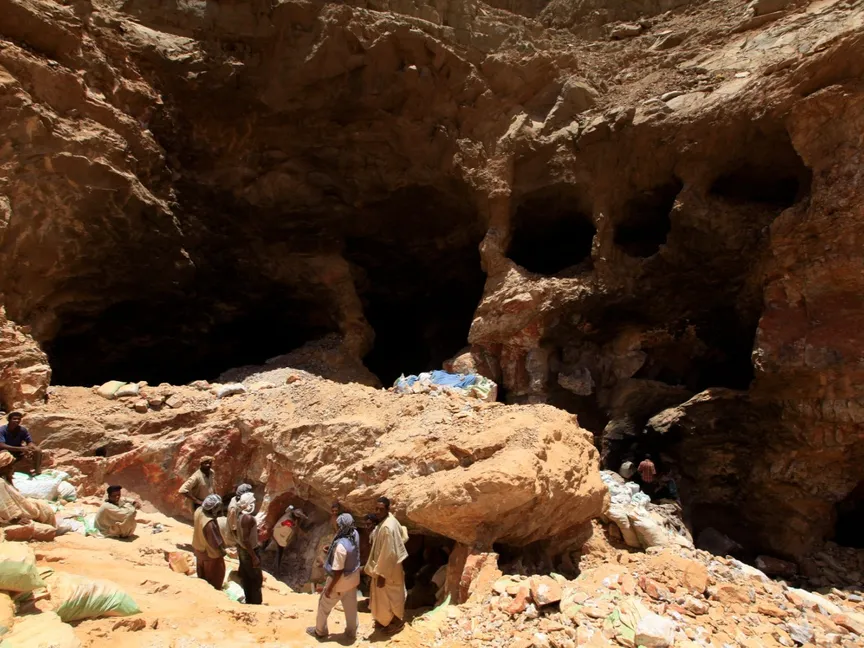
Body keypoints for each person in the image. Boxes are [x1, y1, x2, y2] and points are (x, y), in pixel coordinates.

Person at [307, 513, 361, 641]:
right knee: (351, 608)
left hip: (340, 582)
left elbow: (338, 571)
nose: (336, 526)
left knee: (324, 605)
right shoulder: (355, 534)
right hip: (353, 578)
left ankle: (320, 631)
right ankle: (351, 632)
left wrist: (330, 588)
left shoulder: (341, 547)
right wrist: (331, 549)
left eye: (338, 525)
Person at [364, 497, 408, 635]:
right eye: (376, 509)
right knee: (385, 596)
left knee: (389, 597)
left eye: (381, 509)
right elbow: (403, 534)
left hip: (387, 570)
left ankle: (396, 622)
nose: (377, 512)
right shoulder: (390, 520)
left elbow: (388, 552)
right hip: (389, 566)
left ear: (387, 509)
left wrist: (381, 573)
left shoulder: (388, 527)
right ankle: (384, 621)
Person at [0, 451, 55, 525]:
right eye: (9, 466)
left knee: (42, 505)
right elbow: (4, 503)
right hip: (15, 513)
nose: (12, 468)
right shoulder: (0, 482)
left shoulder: (4, 479)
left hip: (20, 507)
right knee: (43, 509)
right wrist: (15, 518)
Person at [192, 494, 226, 590]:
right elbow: (215, 543)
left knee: (202, 576)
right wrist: (222, 551)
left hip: (199, 550)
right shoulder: (209, 523)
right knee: (214, 579)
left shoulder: (199, 511)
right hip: (210, 555)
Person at [235, 492, 263, 605]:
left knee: (246, 576)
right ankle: (255, 603)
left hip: (242, 549)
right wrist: (254, 557)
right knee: (256, 579)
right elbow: (246, 540)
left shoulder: (240, 515)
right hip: (249, 551)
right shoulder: (248, 518)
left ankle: (249, 600)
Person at [271, 504, 308, 577]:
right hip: (279, 535)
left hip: (277, 532)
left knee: (279, 552)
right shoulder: (288, 520)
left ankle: (275, 568)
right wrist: (303, 533)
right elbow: (291, 528)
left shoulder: (289, 512)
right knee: (279, 553)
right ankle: (276, 571)